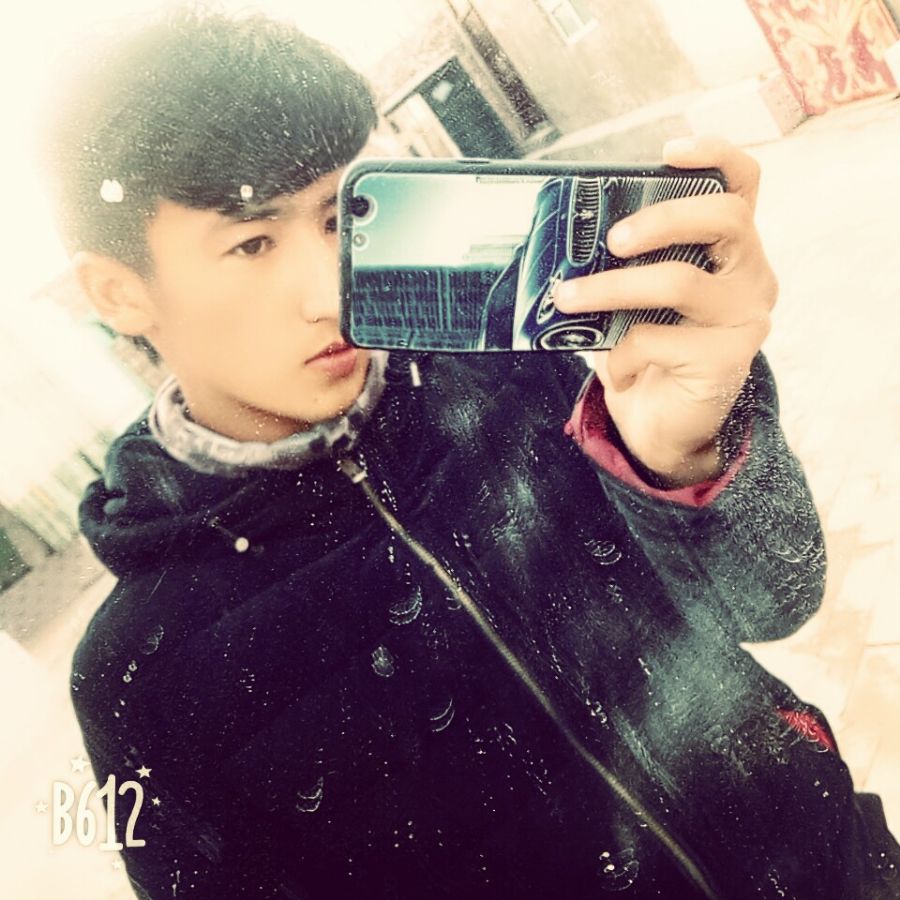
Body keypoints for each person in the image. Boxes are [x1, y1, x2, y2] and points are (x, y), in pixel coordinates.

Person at [42, 8, 900, 899]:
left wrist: (688, 453)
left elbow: (777, 597)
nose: (331, 292)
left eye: (341, 217)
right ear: (119, 291)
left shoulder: (512, 372)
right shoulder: (143, 675)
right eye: (252, 243)